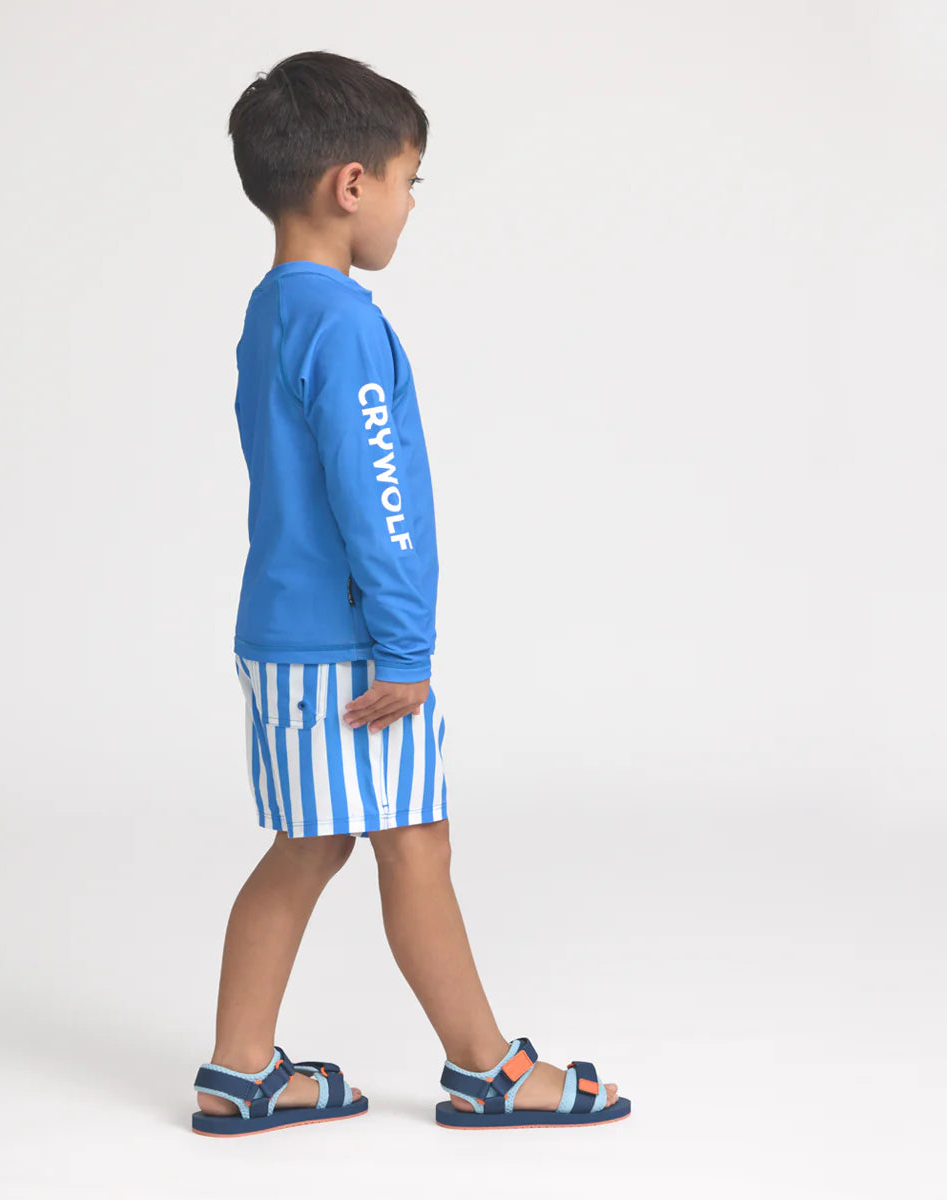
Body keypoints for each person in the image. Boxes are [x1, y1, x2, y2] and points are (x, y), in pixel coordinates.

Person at [191, 49, 631, 1137]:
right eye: (409, 180)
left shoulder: (273, 308)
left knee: (312, 843)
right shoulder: (343, 321)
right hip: (350, 648)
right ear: (353, 183)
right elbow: (375, 495)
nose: (410, 204)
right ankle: (487, 1069)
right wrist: (402, 645)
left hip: (283, 633)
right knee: (415, 842)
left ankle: (240, 1072)